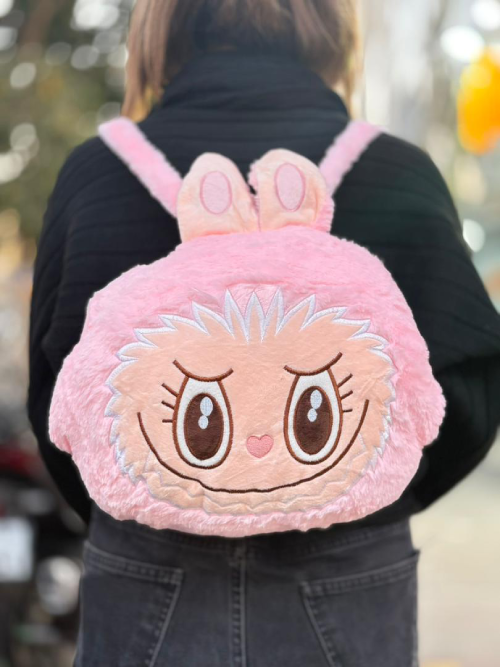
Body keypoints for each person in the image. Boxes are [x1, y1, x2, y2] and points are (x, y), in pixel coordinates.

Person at [29, 1, 500, 665]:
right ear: (333, 22)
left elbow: (56, 398)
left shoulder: (96, 175)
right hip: (346, 568)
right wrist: (363, 484)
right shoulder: (397, 171)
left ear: (160, 21)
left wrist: (149, 495)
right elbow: (473, 379)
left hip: (147, 567)